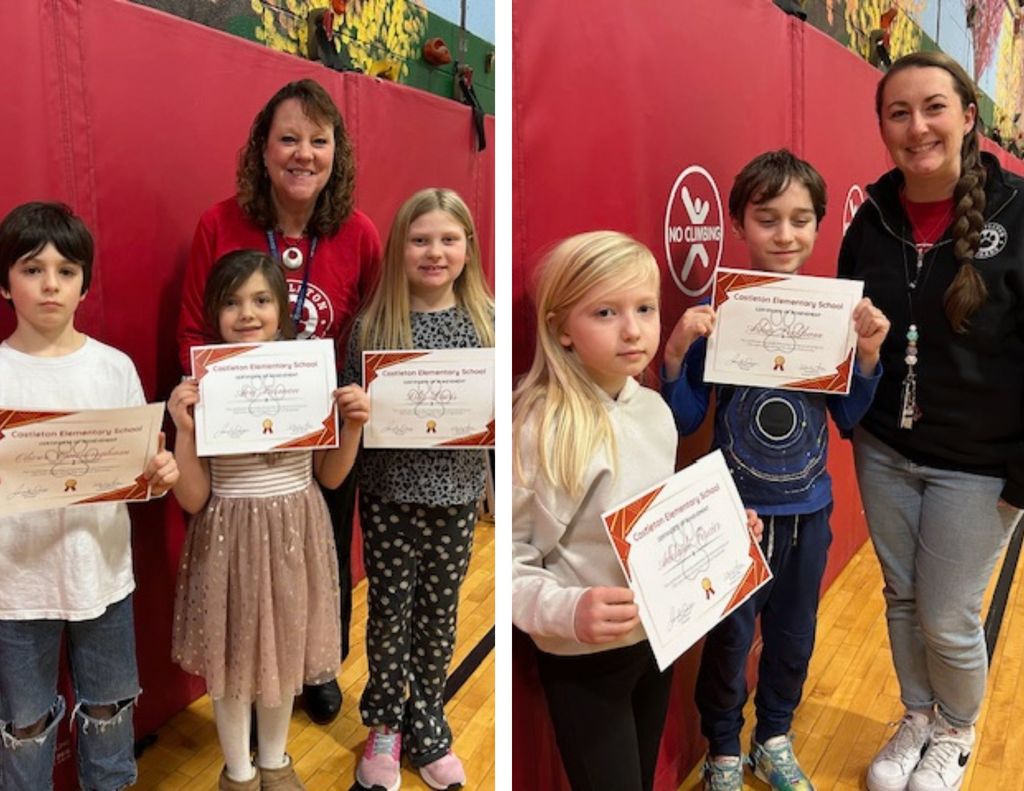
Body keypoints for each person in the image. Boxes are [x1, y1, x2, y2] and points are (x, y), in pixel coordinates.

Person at [662, 150, 890, 791]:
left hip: (808, 511)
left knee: (793, 636)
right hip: (733, 512)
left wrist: (867, 355)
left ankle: (775, 737)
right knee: (731, 640)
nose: (784, 234)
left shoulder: (834, 315)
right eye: (767, 219)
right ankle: (725, 752)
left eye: (800, 219)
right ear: (738, 224)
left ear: (820, 225)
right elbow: (683, 420)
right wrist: (677, 352)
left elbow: (846, 415)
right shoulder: (720, 311)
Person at [511, 230, 764, 791]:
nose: (633, 329)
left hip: (655, 642)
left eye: (645, 308)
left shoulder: (652, 408)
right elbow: (509, 560)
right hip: (585, 658)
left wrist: (724, 535)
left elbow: (659, 521)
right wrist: (567, 610)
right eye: (605, 311)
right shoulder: (539, 426)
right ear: (561, 330)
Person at [838, 51, 1024, 791]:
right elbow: (844, 330)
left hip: (981, 462)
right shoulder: (875, 213)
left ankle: (955, 729)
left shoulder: (1017, 211)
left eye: (934, 107)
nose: (917, 127)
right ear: (883, 125)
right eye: (898, 112)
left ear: (969, 116)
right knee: (902, 595)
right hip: (885, 445)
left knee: (947, 614)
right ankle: (916, 713)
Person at [176, 78, 382, 724]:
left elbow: (371, 330)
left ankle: (318, 669)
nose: (303, 153)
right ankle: (242, 669)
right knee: (245, 558)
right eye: (288, 138)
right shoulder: (221, 222)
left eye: (318, 141)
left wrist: (353, 406)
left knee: (319, 550)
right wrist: (213, 406)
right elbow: (191, 327)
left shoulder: (360, 233)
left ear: (336, 154)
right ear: (262, 150)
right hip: (236, 436)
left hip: (319, 435)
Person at [168, 250, 368, 791]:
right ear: (214, 312)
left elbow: (329, 478)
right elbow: (192, 497)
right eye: (232, 302)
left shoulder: (309, 374)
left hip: (295, 531)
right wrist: (183, 429)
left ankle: (276, 762)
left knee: (285, 650)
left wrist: (350, 427)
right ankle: (237, 772)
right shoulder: (204, 383)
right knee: (233, 662)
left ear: (282, 308)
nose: (247, 313)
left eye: (261, 299)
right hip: (229, 534)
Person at [0, 201, 179, 789]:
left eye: (66, 270)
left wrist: (158, 475)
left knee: (109, 711)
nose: (50, 283)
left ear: (84, 285)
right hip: (15, 585)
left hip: (101, 574)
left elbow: (139, 475)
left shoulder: (113, 368)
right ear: (5, 284)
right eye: (31, 269)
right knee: (22, 725)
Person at [342, 188, 493, 791]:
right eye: (420, 239)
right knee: (387, 613)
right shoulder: (375, 325)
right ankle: (383, 724)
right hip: (386, 497)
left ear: (468, 247)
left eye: (448, 239)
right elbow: (353, 410)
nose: (435, 252)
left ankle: (428, 717)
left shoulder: (483, 323)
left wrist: (489, 481)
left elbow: (491, 416)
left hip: (455, 499)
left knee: (438, 614)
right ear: (400, 247)